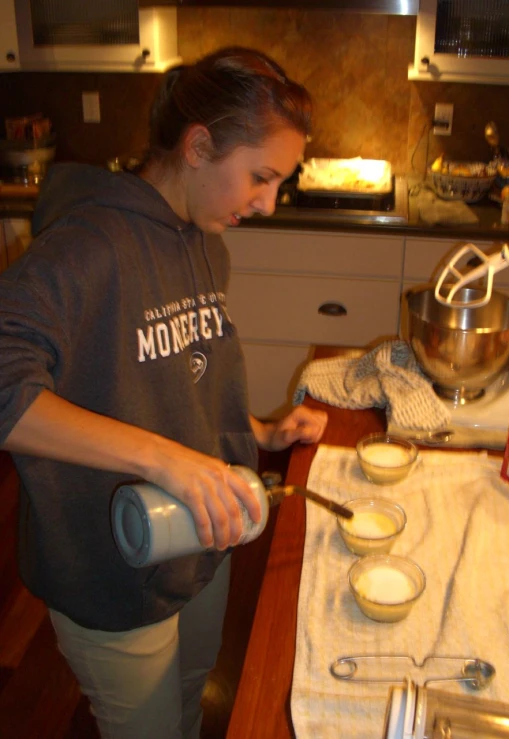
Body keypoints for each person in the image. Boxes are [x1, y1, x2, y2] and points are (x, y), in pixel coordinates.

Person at [0, 47, 327, 738]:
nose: (266, 202)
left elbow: (175, 378)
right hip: (108, 566)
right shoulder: (87, 244)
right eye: (260, 177)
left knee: (188, 702)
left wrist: (256, 431)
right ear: (200, 144)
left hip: (193, 541)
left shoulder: (207, 244)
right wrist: (163, 458)